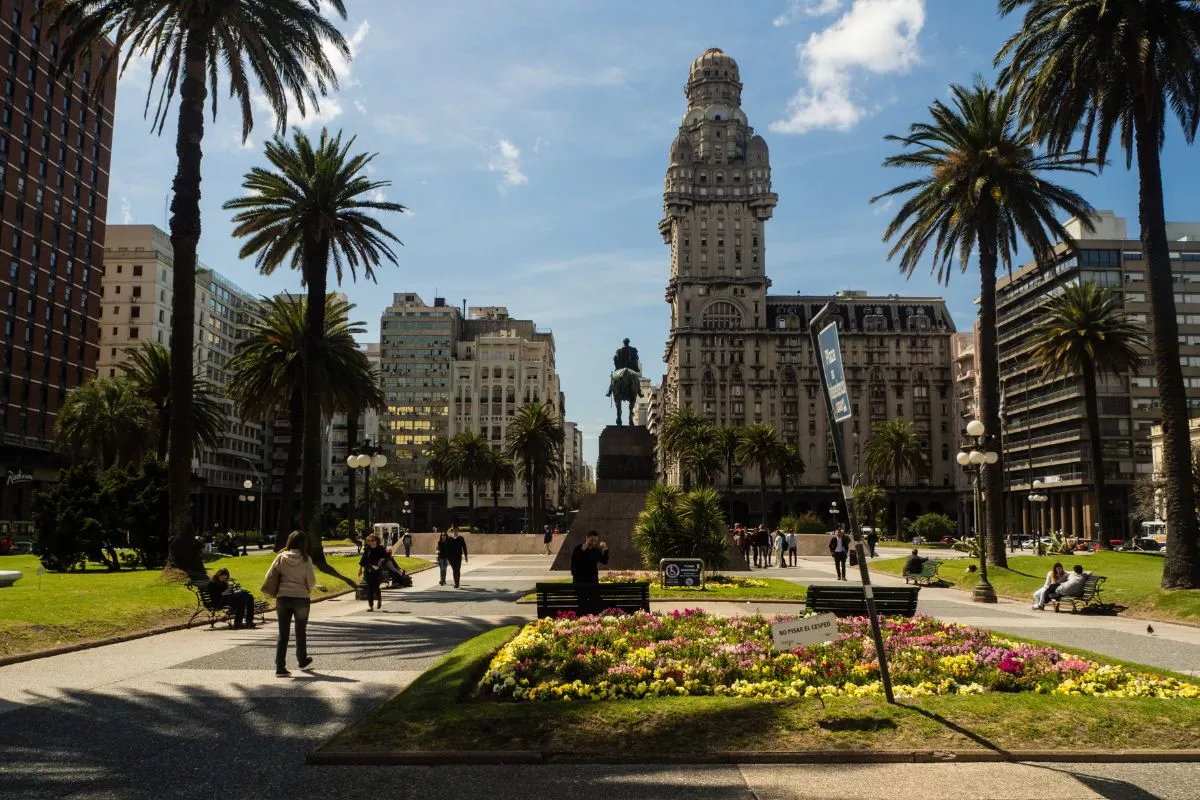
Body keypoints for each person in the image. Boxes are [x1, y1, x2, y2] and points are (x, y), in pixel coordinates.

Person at [263, 530, 315, 678]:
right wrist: (308, 589)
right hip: (301, 597)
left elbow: (269, 576)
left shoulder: (281, 557)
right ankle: (302, 659)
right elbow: (311, 581)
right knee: (300, 631)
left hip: (283, 597)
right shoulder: (306, 559)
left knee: (283, 634)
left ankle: (280, 666)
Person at [358, 533, 389, 612]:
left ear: (376, 541)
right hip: (368, 571)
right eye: (370, 541)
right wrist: (360, 569)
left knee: (376, 587)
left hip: (377, 571)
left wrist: (381, 560)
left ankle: (379, 599)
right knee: (369, 589)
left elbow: (387, 556)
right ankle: (371, 606)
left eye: (373, 540)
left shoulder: (380, 548)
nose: (372, 542)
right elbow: (363, 559)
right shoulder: (367, 549)